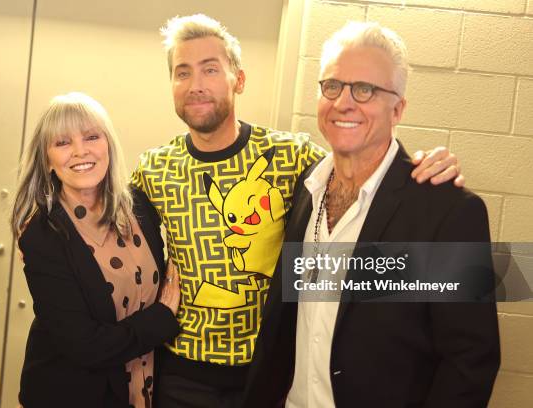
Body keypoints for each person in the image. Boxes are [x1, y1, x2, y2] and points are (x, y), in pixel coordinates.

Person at [131, 15, 466, 407]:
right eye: (182, 73)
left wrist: (427, 164)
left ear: (238, 79)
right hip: (182, 375)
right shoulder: (151, 170)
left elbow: (364, 163)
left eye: (210, 69)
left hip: (269, 375)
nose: (196, 84)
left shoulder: (294, 157)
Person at [244, 22, 500, 408]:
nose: (344, 102)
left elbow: (470, 363)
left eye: (365, 89)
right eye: (332, 85)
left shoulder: (447, 212)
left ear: (398, 108)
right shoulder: (306, 188)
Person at [10, 92, 181, 408]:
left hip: (142, 389)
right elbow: (85, 346)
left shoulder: (139, 206)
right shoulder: (42, 234)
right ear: (47, 159)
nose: (80, 151)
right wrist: (162, 318)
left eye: (91, 137)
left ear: (108, 145)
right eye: (62, 143)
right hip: (69, 394)